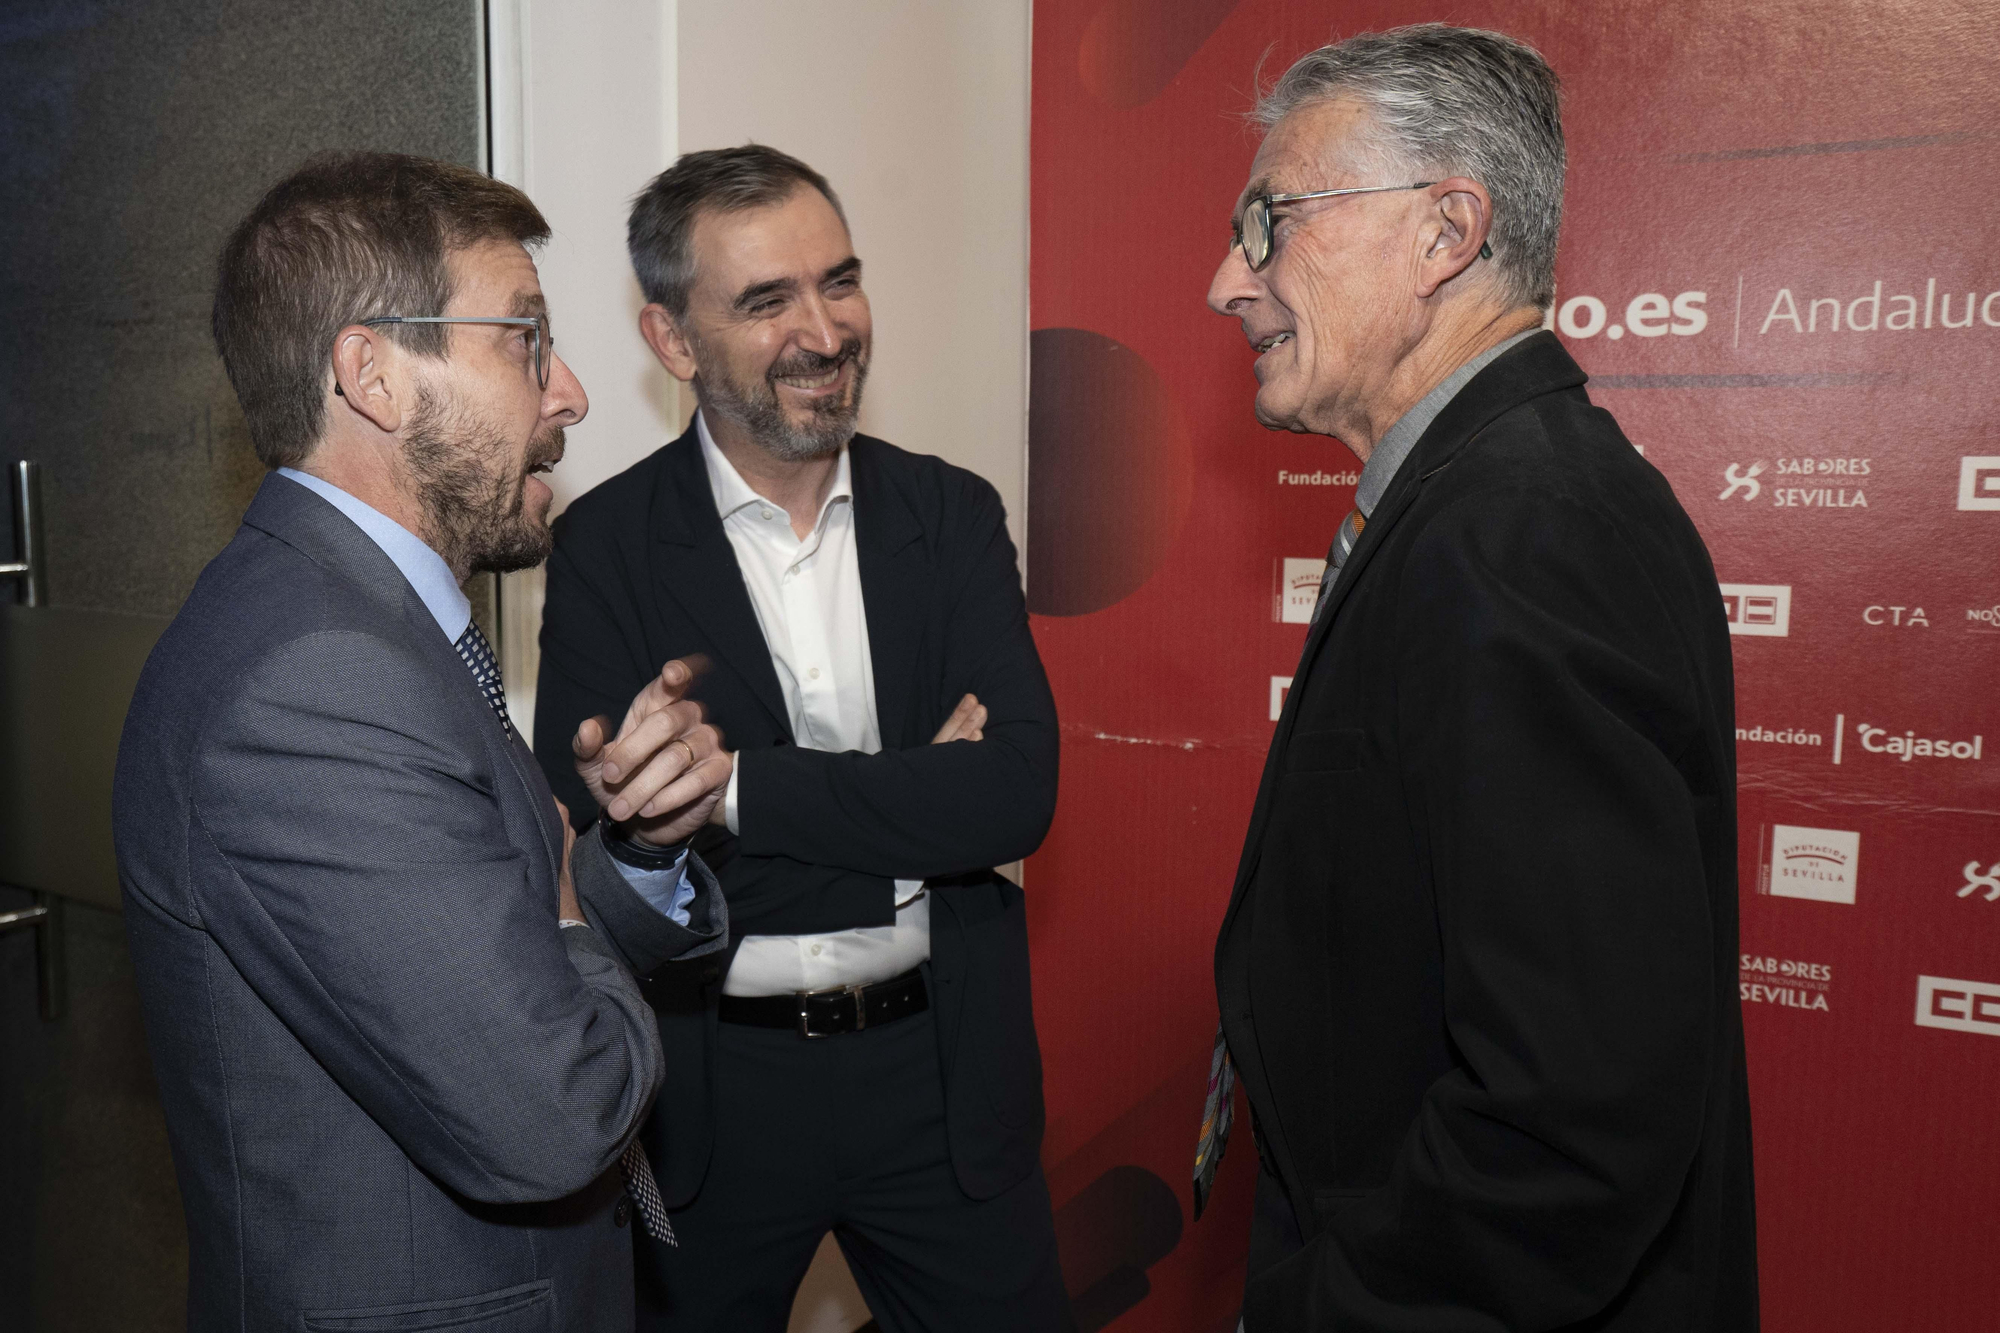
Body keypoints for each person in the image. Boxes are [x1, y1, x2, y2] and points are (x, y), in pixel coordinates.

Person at [114, 151, 735, 1333]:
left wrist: (632, 853)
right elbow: (553, 1114)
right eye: (525, 341)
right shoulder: (312, 680)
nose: (572, 396)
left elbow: (469, 944)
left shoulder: (365, 623)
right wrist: (565, 911)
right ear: (375, 376)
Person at [1198, 26, 1758, 1331]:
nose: (1229, 278)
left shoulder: (1526, 531)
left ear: (1447, 231)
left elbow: (1571, 1116)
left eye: (1269, 221)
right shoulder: (1480, 504)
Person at [532, 144, 1069, 1331]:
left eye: (839, 281)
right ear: (672, 342)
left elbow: (1017, 794)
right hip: (717, 1100)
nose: (824, 331)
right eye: (766, 300)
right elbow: (603, 865)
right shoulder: (607, 549)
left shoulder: (951, 513)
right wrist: (917, 800)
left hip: (941, 1083)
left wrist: (728, 799)